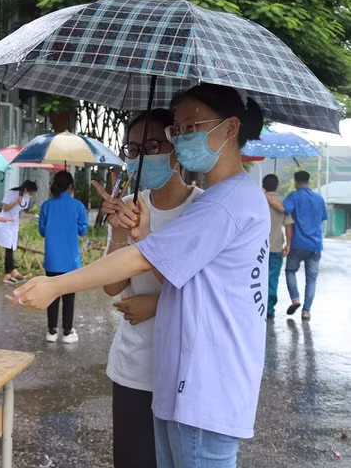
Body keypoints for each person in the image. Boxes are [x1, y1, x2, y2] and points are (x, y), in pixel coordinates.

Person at [13, 83, 268, 467]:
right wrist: (123, 234)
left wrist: (56, 284)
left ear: (230, 128)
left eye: (189, 127)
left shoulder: (222, 204)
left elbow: (141, 261)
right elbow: (160, 278)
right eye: (177, 130)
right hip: (184, 381)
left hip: (202, 386)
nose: (182, 139)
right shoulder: (227, 198)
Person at [94, 109, 202, 468]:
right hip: (132, 365)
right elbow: (112, 287)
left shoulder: (202, 209)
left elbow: (203, 292)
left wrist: (156, 304)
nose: (142, 156)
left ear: (176, 148)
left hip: (182, 371)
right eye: (133, 148)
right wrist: (122, 234)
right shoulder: (127, 207)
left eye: (153, 145)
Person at [38, 170, 87, 343]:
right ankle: (67, 331)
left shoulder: (47, 205)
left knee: (52, 294)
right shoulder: (78, 206)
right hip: (71, 260)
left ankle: (51, 331)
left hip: (52, 258)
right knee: (69, 297)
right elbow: (83, 230)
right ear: (71, 187)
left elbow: (42, 231)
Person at [281, 170, 328, 320]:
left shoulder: (293, 196)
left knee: (290, 271)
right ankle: (306, 311)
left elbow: (284, 210)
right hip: (315, 245)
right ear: (308, 181)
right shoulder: (319, 199)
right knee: (312, 279)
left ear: (296, 182)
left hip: (297, 244)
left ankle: (295, 299)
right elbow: (322, 219)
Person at [0, 180, 38, 284]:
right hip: (6, 223)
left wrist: (29, 216)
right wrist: (17, 201)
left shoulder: (26, 198)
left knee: (11, 248)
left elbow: (20, 213)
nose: (30, 195)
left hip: (13, 225)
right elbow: (5, 208)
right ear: (26, 189)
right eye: (30, 193)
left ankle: (12, 272)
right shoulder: (11, 193)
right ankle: (8, 274)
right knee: (9, 248)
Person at [262, 174, 293, 318]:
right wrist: (289, 243)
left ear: (263, 185)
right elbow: (288, 224)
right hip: (275, 247)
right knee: (272, 278)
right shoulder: (284, 202)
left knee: (256, 278)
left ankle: (258, 307)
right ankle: (269, 309)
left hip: (257, 249)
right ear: (277, 185)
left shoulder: (259, 199)